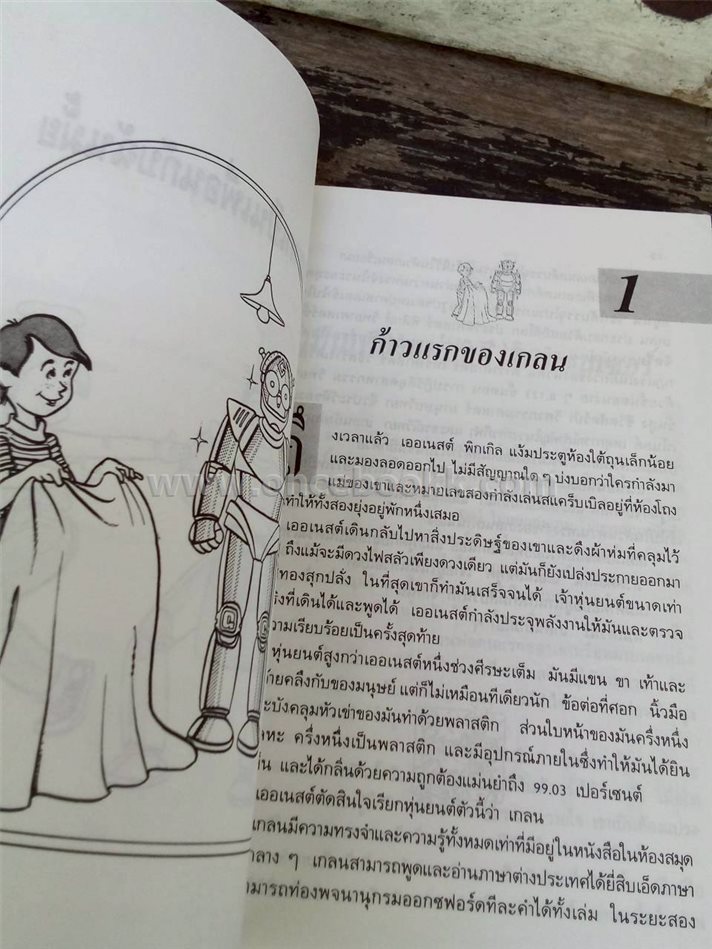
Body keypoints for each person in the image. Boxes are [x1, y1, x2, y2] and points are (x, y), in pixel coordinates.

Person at [0, 314, 195, 811]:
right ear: (7, 378)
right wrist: (29, 477)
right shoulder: (2, 437)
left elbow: (69, 498)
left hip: (50, 565)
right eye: (48, 372)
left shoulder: (48, 441)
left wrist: (99, 478)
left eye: (67, 375)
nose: (59, 387)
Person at [187, 347, 293, 758]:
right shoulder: (243, 425)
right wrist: (206, 515)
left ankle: (253, 716)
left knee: (265, 629)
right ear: (262, 387)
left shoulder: (292, 441)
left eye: (285, 391)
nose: (279, 399)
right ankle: (215, 711)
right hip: (242, 526)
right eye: (272, 387)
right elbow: (218, 469)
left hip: (275, 540)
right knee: (230, 619)